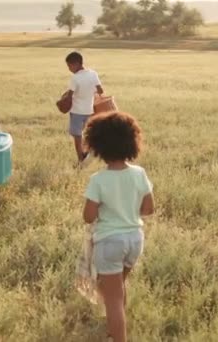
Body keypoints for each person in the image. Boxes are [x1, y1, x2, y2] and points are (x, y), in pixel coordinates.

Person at [82, 111, 155, 342]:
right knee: (117, 287)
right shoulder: (139, 174)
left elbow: (88, 216)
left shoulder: (98, 180)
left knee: (111, 297)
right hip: (135, 240)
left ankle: (117, 334)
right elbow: (148, 208)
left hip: (109, 242)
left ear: (98, 146)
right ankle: (115, 326)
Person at [63, 51, 104, 168]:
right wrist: (90, 91)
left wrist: (63, 99)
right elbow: (100, 91)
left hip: (76, 111)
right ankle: (87, 153)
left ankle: (81, 159)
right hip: (89, 110)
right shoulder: (93, 73)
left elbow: (69, 95)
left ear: (76, 64)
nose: (69, 69)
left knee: (77, 136)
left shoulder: (75, 78)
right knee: (84, 133)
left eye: (69, 66)